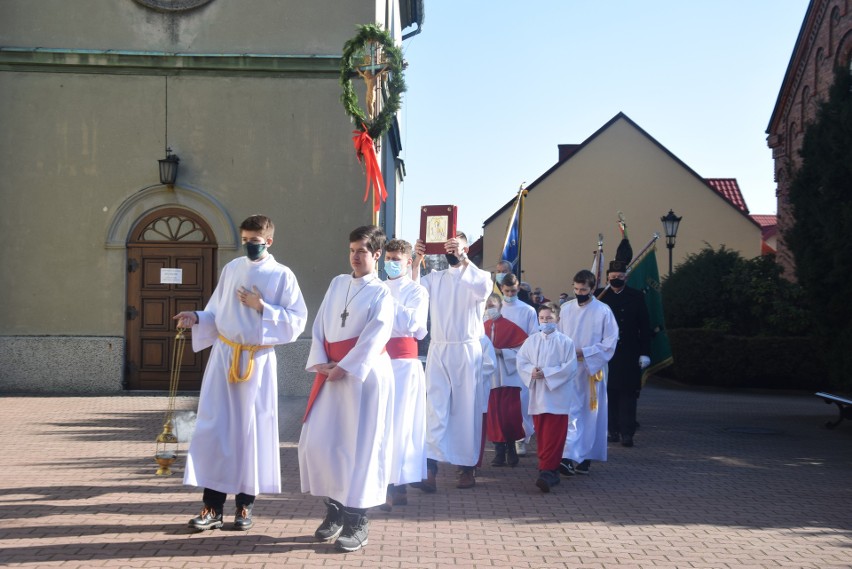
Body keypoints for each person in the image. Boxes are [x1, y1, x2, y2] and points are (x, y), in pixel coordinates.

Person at [173, 214, 308, 532]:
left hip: (256, 364)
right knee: (215, 430)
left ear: (269, 241)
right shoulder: (232, 269)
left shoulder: (282, 275)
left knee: (251, 433)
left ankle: (245, 507)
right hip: (224, 358)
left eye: (254, 241)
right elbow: (216, 311)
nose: (248, 246)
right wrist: (196, 316)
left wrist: (263, 307)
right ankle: (211, 507)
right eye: (245, 240)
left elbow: (297, 320)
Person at [299, 225, 395, 553]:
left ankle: (358, 519)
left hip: (363, 378)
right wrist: (323, 362)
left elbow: (376, 334)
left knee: (362, 447)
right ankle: (334, 510)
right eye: (352, 250)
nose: (355, 256)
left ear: (377, 255)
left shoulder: (382, 292)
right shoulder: (338, 283)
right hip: (332, 374)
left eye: (362, 251)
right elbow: (320, 324)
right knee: (324, 443)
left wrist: (346, 367)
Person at [412, 232, 492, 490]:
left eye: (454, 245)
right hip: (439, 349)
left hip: (467, 351)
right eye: (446, 245)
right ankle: (430, 468)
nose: (450, 249)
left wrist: (464, 258)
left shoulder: (477, 275)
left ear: (465, 247)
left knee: (465, 411)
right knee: (435, 407)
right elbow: (412, 293)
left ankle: (466, 468)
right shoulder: (435, 279)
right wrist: (417, 259)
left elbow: (482, 288)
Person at [381, 238, 429, 510]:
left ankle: (398, 483)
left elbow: (415, 325)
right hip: (379, 360)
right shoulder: (377, 287)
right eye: (388, 258)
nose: (391, 263)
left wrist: (387, 303)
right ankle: (381, 480)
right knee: (380, 421)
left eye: (397, 259)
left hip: (403, 364)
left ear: (408, 262)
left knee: (400, 423)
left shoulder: (417, 291)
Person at [557, 269, 618, 476]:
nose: (579, 293)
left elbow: (610, 343)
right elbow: (558, 337)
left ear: (592, 288)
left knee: (590, 414)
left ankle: (585, 456)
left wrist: (586, 352)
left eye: (583, 289)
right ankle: (566, 457)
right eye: (576, 289)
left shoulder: (603, 311)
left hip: (592, 371)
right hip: (570, 369)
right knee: (570, 413)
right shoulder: (565, 309)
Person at [517, 302, 578, 492]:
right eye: (542, 318)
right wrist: (531, 371)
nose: (545, 321)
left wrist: (547, 373)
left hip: (557, 396)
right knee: (542, 433)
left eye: (549, 318)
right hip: (538, 394)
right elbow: (521, 360)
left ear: (557, 319)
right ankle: (546, 468)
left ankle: (549, 470)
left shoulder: (566, 342)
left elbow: (570, 368)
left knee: (555, 434)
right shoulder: (532, 341)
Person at [596, 258, 652, 448]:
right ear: (607, 278)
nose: (616, 280)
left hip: (628, 352)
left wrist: (644, 353)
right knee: (609, 393)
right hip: (606, 353)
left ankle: (627, 433)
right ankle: (612, 430)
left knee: (627, 394)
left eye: (620, 277)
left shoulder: (636, 296)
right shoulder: (600, 296)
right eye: (613, 277)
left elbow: (644, 326)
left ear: (626, 277)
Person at [496, 273, 538, 458]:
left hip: (520, 361)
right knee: (501, 404)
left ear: (518, 288)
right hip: (498, 361)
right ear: (501, 289)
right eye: (506, 291)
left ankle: (522, 438)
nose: (510, 294)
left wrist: (519, 355)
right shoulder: (495, 310)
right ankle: (502, 439)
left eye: (513, 290)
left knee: (521, 402)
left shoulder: (528, 310)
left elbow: (533, 338)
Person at [482, 293, 526, 467]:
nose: (489, 309)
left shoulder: (511, 327)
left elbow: (524, 351)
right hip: (490, 379)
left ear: (500, 307)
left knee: (509, 415)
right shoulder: (479, 327)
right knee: (493, 416)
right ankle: (499, 452)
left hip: (508, 377)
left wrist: (502, 352)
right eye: (486, 306)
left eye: (492, 305)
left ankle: (511, 449)